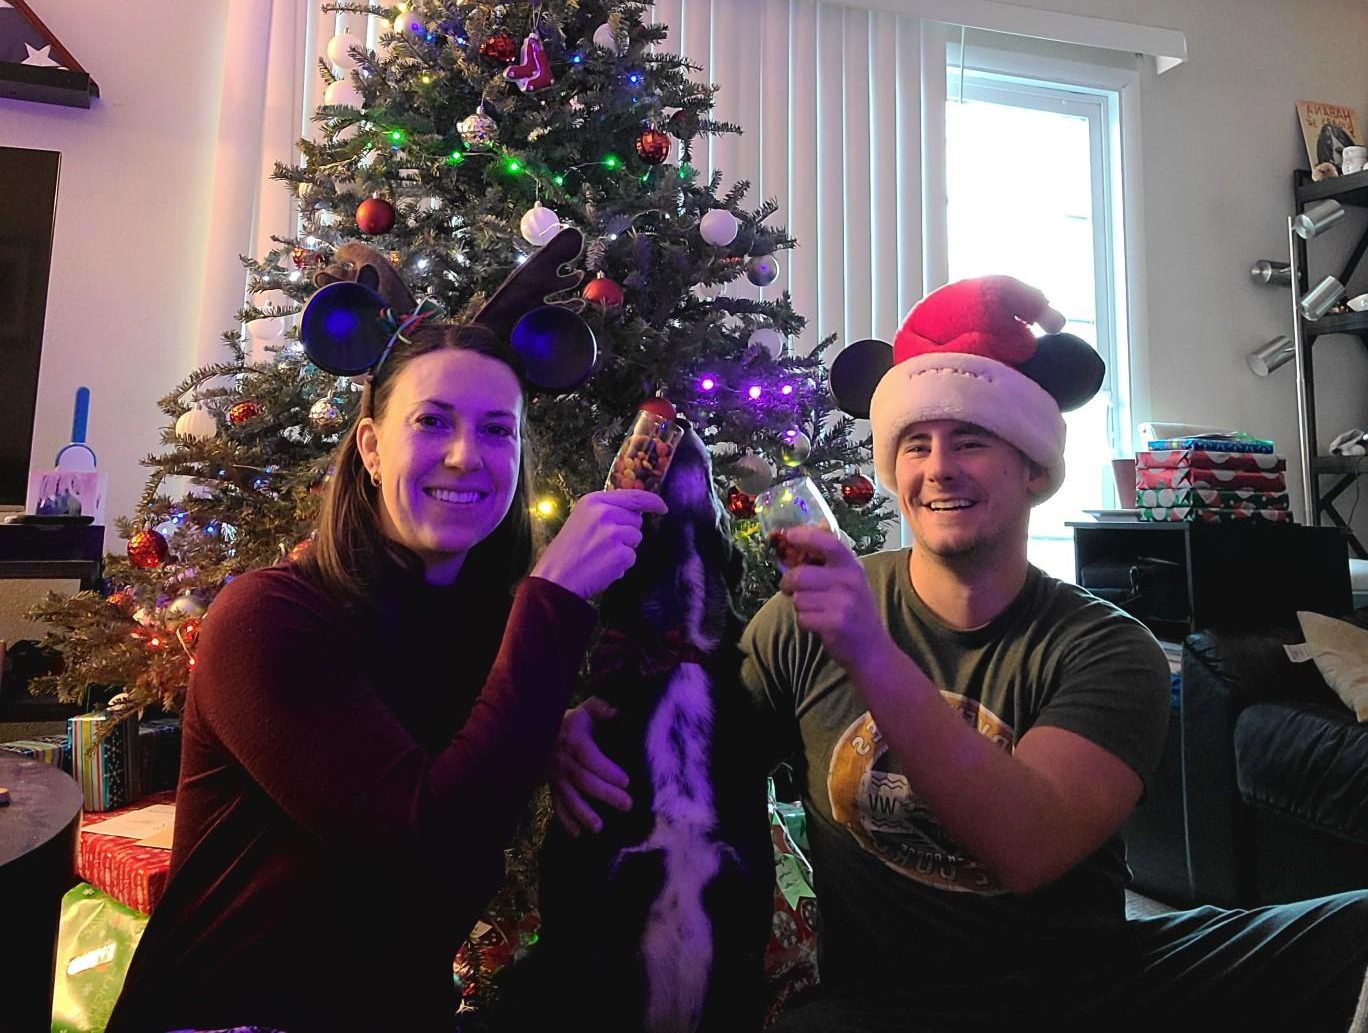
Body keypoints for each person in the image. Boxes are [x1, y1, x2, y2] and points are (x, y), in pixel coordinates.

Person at [554, 276, 1368, 1033]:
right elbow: (696, 752)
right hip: (883, 1005)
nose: (939, 469)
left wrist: (870, 653)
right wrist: (588, 726)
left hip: (1086, 990)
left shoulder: (1107, 648)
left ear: (1031, 467)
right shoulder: (803, 622)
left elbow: (1028, 845)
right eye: (916, 445)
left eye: (971, 441)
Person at [108, 320, 666, 1033]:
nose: (466, 456)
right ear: (371, 447)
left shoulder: (479, 634)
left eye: (497, 430)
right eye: (432, 422)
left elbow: (448, 743)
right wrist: (552, 599)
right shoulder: (266, 617)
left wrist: (546, 727)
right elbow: (427, 845)